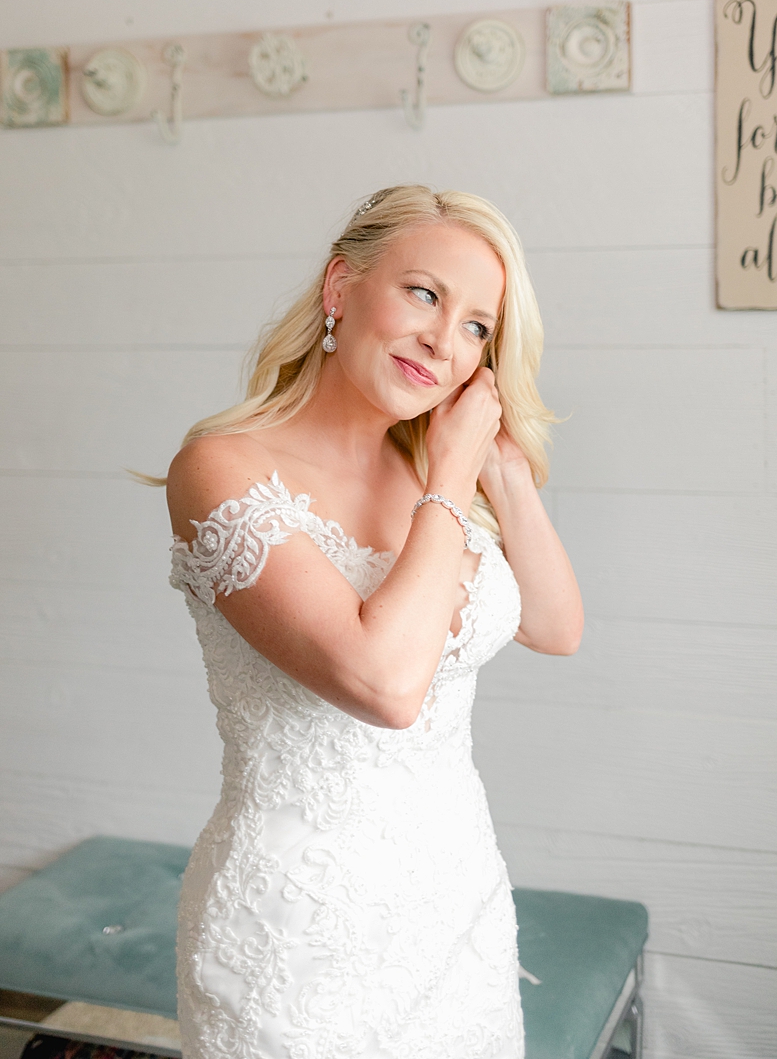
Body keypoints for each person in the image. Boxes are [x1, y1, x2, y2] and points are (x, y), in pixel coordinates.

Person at [164, 185, 583, 1059]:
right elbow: (386, 684)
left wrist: (496, 470)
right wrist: (451, 472)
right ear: (339, 288)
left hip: (456, 906)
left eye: (478, 327)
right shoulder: (221, 467)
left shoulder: (437, 472)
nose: (444, 339)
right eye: (425, 294)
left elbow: (554, 624)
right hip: (298, 940)